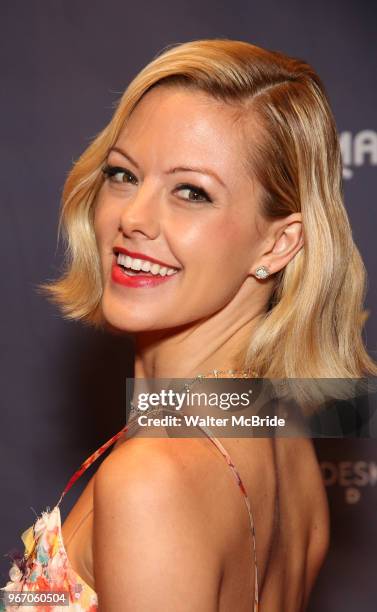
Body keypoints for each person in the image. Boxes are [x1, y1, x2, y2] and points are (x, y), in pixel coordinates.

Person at [1, 38, 376, 612]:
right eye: (124, 175)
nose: (132, 217)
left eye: (191, 192)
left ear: (279, 244)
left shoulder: (151, 479)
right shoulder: (278, 425)